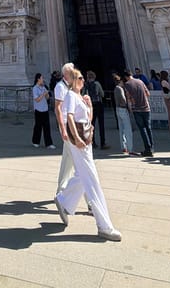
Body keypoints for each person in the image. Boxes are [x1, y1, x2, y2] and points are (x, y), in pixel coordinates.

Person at [54, 69, 121, 241]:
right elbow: (68, 117)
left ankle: (64, 199)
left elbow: (87, 120)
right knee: (92, 180)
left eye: (84, 77)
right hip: (79, 143)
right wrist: (74, 137)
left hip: (87, 142)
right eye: (81, 78)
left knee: (82, 176)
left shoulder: (81, 97)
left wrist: (89, 106)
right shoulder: (69, 95)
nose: (84, 80)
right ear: (74, 80)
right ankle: (104, 225)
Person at [122, 70, 153, 156]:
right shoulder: (140, 81)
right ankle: (151, 147)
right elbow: (148, 93)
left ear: (126, 77)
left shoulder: (127, 85)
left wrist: (130, 108)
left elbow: (128, 98)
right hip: (146, 108)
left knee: (142, 129)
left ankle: (147, 148)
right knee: (148, 128)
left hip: (137, 109)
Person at [55, 62, 76, 193]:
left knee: (68, 160)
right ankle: (90, 202)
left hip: (74, 125)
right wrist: (62, 128)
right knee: (80, 164)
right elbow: (57, 107)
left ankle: (60, 190)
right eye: (72, 73)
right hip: (67, 126)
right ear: (65, 74)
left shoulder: (72, 87)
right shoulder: (60, 87)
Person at [112, 72, 136, 155]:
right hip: (123, 109)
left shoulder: (116, 88)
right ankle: (130, 149)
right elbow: (122, 98)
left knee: (121, 129)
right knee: (127, 129)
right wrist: (127, 105)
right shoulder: (119, 88)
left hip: (118, 109)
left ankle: (124, 147)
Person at [84, 70, 109, 149]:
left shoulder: (86, 85)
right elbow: (102, 94)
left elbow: (83, 94)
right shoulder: (97, 84)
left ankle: (92, 142)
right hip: (98, 103)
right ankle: (103, 143)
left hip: (90, 105)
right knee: (101, 124)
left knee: (91, 124)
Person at [32, 73, 55, 149]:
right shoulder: (35, 88)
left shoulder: (44, 87)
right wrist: (43, 94)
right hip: (38, 110)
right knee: (38, 126)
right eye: (42, 78)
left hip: (45, 109)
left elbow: (47, 98)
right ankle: (35, 142)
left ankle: (49, 143)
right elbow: (37, 99)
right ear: (38, 79)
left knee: (47, 127)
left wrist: (47, 94)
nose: (43, 80)